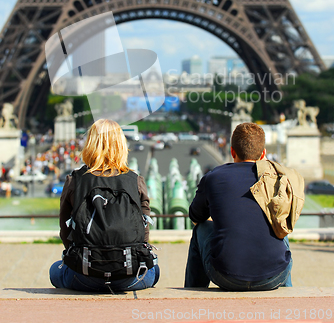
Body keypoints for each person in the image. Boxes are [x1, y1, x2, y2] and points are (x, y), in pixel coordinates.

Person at [184, 122, 298, 291]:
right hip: (274, 276)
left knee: (201, 229)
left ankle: (192, 292)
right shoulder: (274, 179)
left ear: (232, 151)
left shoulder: (213, 177)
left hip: (225, 275)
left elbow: (196, 216)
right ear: (263, 154)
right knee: (280, 227)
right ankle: (287, 294)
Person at [50, 119, 160, 292]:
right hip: (130, 275)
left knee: (54, 270)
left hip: (84, 275)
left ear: (90, 145)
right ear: (121, 146)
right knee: (155, 270)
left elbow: (65, 232)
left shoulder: (75, 181)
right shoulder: (135, 181)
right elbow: (143, 233)